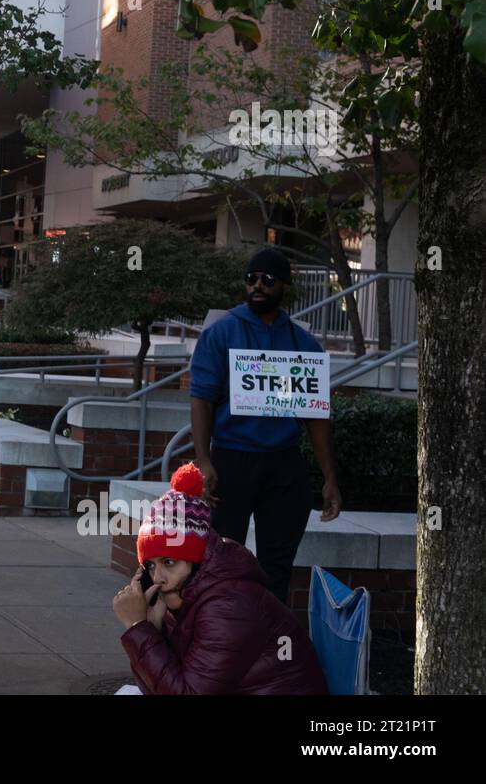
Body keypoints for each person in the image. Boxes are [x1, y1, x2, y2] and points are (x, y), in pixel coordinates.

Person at [188, 247, 341, 603]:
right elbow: (201, 398)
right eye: (251, 278)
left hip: (284, 463)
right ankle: (217, 642)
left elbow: (317, 415)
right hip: (232, 459)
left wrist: (329, 477)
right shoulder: (221, 333)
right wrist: (203, 459)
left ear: (284, 285)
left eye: (268, 279)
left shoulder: (304, 344)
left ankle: (271, 646)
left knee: (277, 567)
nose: (257, 285)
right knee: (220, 561)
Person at [112, 463, 327, 694]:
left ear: (197, 560)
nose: (158, 578)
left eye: (169, 562)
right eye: (151, 565)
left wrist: (138, 628)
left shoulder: (228, 606)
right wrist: (152, 632)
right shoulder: (189, 592)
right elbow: (158, 687)